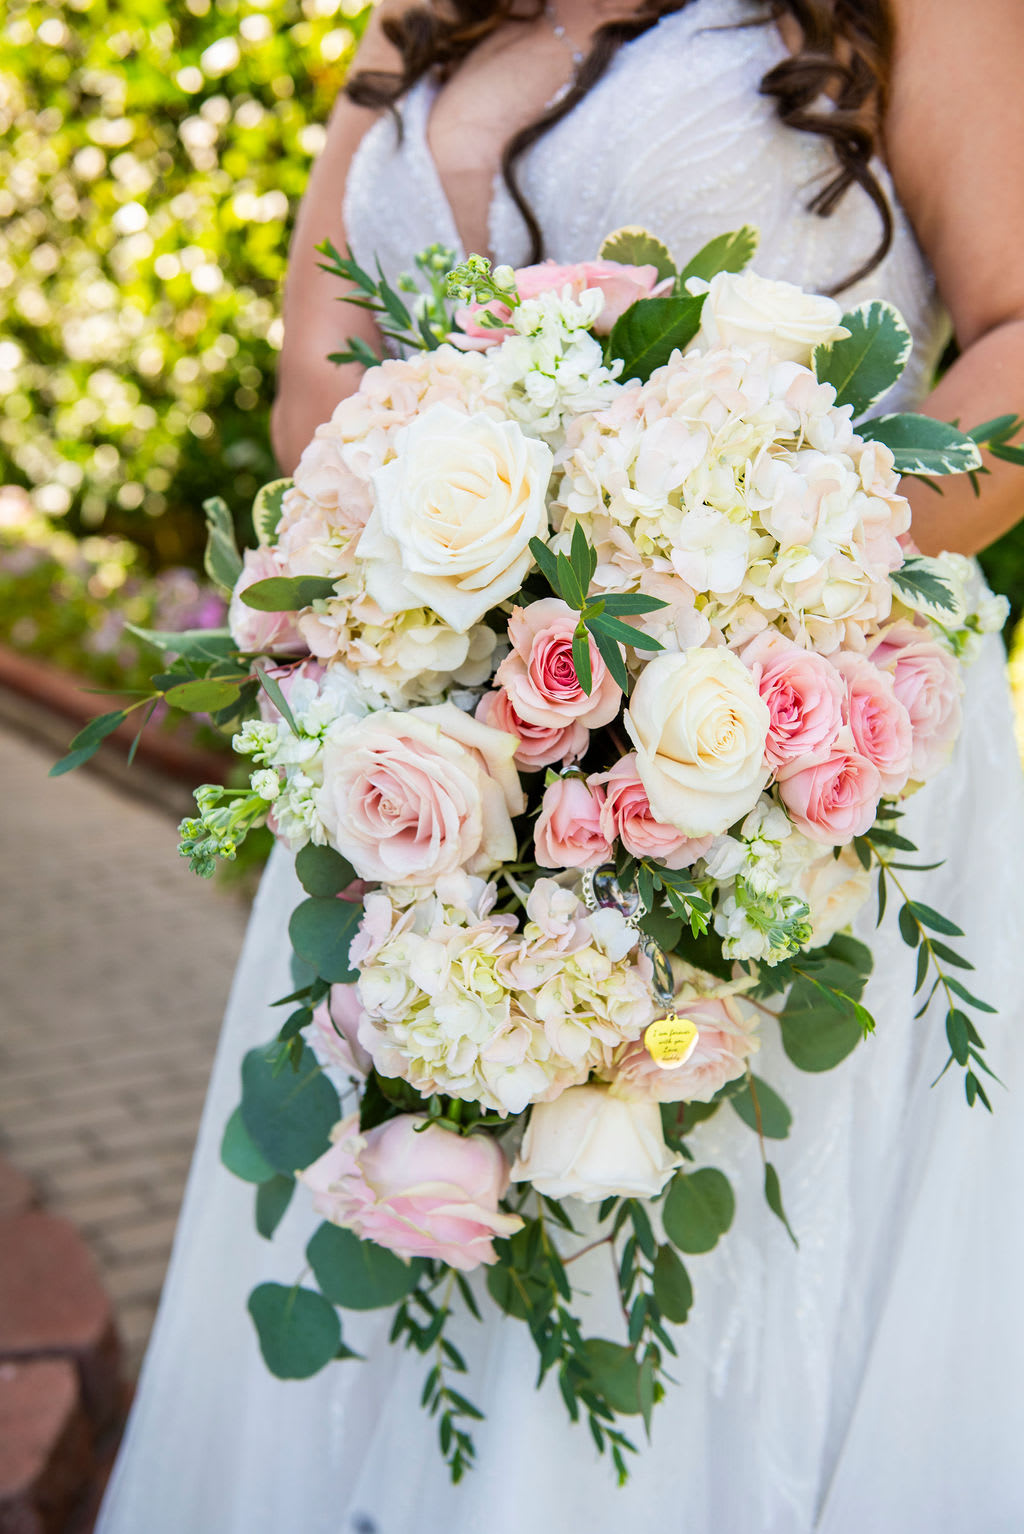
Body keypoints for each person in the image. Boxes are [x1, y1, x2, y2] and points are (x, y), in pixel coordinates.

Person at [96, 2, 1024, 1530]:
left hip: (770, 760)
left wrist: (771, 562)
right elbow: (318, 372)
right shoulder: (424, 10)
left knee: (668, 1265)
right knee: (418, 1211)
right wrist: (419, 608)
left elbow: (1012, 342)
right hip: (431, 758)